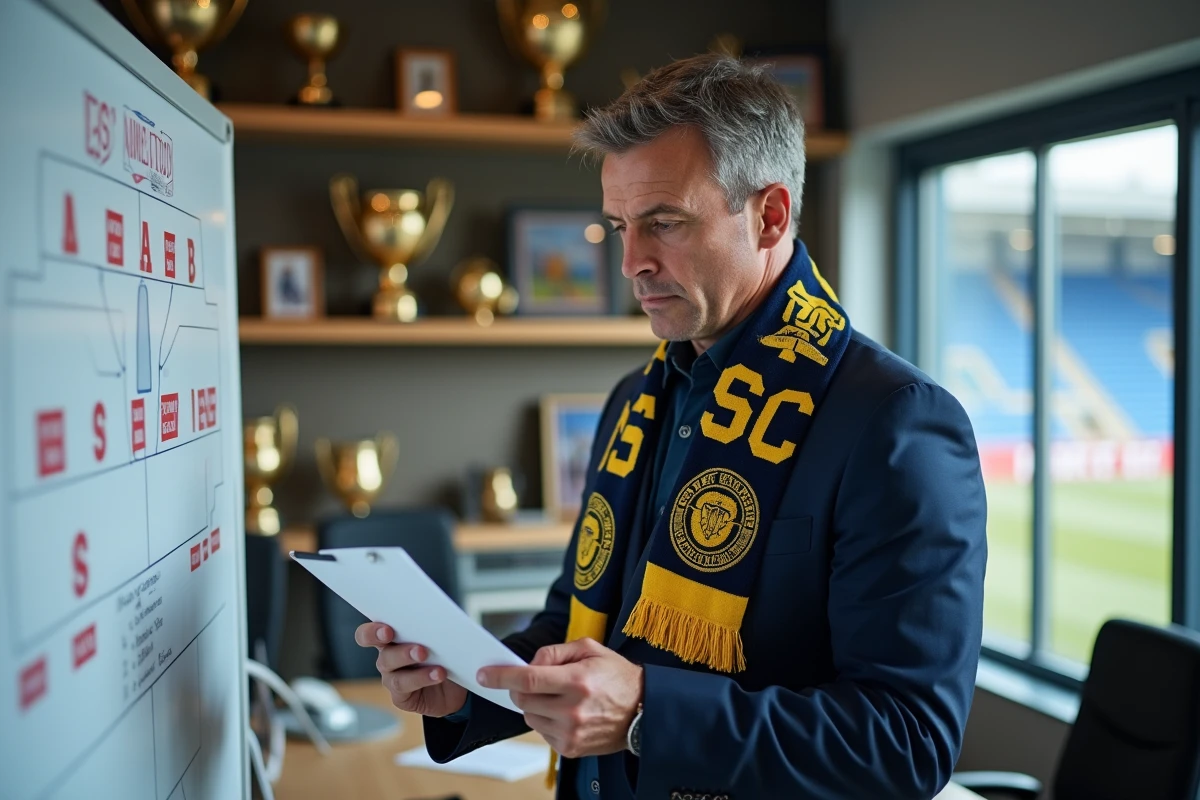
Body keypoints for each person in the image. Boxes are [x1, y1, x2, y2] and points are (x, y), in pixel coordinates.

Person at [355, 53, 987, 799]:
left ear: (770, 215)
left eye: (664, 223)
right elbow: (579, 625)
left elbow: (906, 744)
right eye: (619, 225)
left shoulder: (895, 422)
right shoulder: (635, 398)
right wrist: (469, 686)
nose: (631, 263)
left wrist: (649, 714)